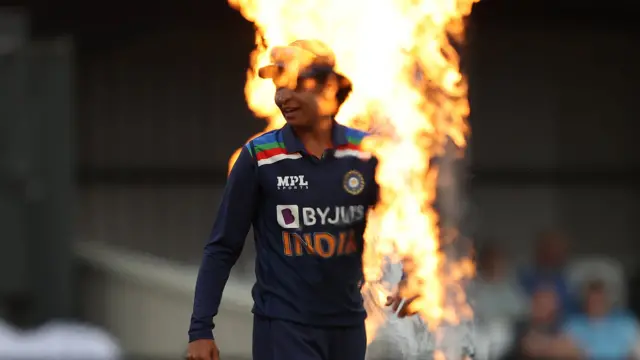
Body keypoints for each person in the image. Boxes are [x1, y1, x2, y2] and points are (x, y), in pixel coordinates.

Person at [187, 39, 410, 360]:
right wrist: (200, 329)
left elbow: (407, 219)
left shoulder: (365, 153)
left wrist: (413, 275)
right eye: (278, 87)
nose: (282, 97)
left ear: (329, 88)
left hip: (348, 327)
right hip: (283, 327)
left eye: (293, 86)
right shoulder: (259, 157)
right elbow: (222, 246)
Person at [563, 279, 640, 359]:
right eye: (592, 300)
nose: (596, 304)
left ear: (608, 300)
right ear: (585, 302)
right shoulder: (573, 326)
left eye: (600, 300)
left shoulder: (627, 324)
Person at [503, 285, 580, 360]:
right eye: (540, 302)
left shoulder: (558, 326)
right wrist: (554, 346)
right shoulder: (519, 326)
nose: (544, 307)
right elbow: (530, 347)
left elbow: (575, 351)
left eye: (548, 303)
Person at [519, 230, 577, 317]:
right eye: (552, 248)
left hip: (567, 323)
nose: (557, 253)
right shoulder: (527, 277)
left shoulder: (568, 278)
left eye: (560, 249)